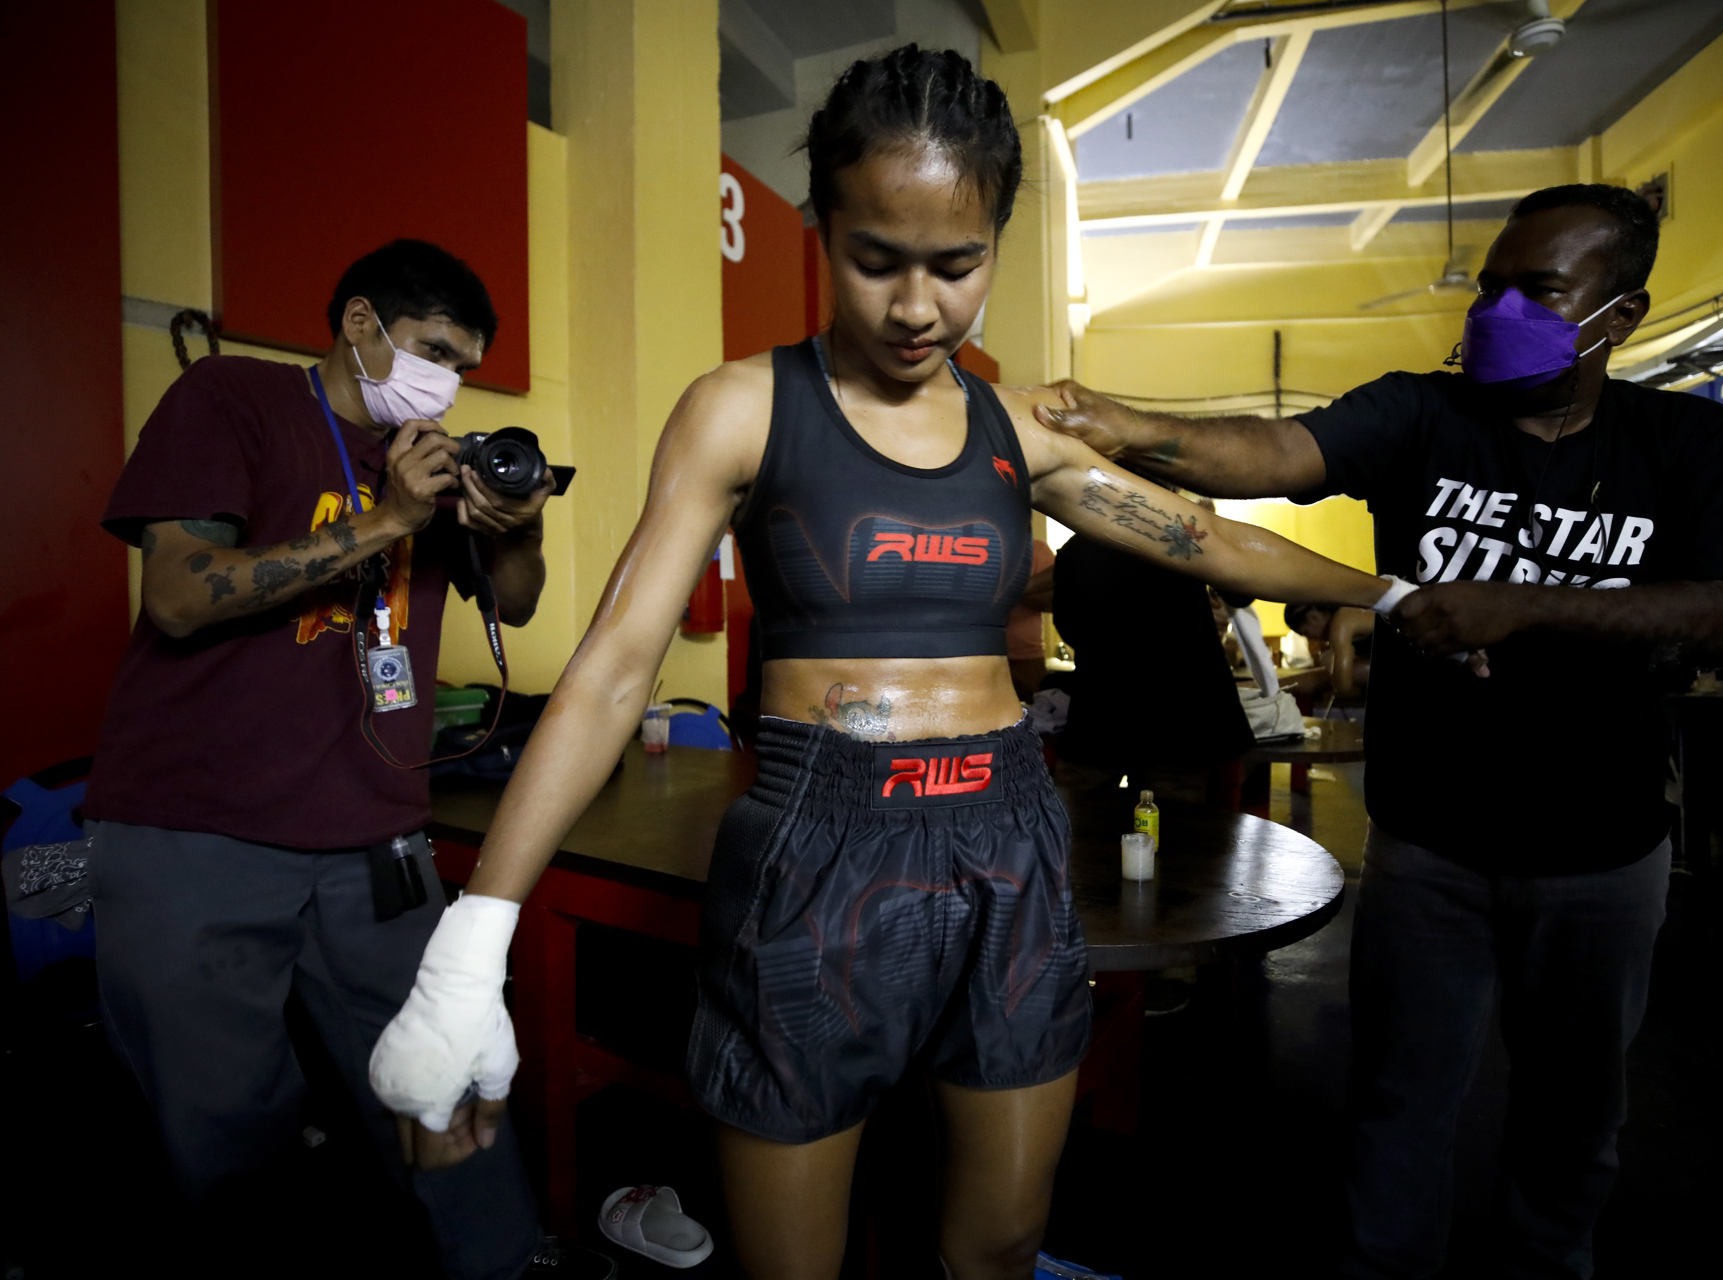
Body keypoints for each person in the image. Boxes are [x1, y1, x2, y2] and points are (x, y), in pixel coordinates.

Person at [365, 47, 1404, 1280]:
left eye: (956, 266)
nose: (917, 307)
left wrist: (1390, 592)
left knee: (1003, 1238)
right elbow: (609, 667)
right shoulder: (742, 407)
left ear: (996, 248)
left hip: (1009, 831)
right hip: (820, 847)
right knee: (792, 1264)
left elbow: (1201, 532)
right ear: (822, 233)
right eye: (877, 260)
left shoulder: (1018, 427)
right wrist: (475, 935)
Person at [1039, 184, 1723, 1279]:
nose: (1497, 310)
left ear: (1619, 315)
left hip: (1603, 851)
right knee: (1399, 1099)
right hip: (1430, 845)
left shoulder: (1689, 441)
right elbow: (1271, 454)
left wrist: (1518, 604)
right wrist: (1126, 423)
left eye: (1539, 290)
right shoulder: (1420, 416)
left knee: (1575, 1115)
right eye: (1489, 285)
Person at [82, 241, 604, 1278]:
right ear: (361, 323)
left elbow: (519, 600)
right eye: (434, 350)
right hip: (197, 834)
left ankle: (504, 1263)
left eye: (467, 364)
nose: (448, 382)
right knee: (224, 1122)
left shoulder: (433, 455)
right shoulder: (232, 399)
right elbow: (180, 596)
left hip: (373, 834)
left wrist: (515, 524)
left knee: (442, 1067)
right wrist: (387, 522)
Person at [1050, 527, 1256, 809]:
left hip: (1101, 705)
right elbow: (1241, 592)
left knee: (1079, 818)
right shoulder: (1183, 538)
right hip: (1177, 712)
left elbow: (1068, 626)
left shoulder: (1080, 546)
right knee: (1171, 827)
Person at [1283, 600, 1376, 702]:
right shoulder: (1348, 614)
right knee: (1325, 675)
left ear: (1313, 617)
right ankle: (1273, 686)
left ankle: (1273, 686)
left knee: (1328, 675)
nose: (1310, 639)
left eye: (1306, 633)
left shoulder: (1343, 621)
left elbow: (1343, 687)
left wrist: (1331, 662)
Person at [1005, 536, 1054, 700]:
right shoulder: (976, 544)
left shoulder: (1037, 548)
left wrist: (1010, 590)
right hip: (977, 654)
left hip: (1027, 658)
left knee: (1037, 718)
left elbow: (1054, 602)